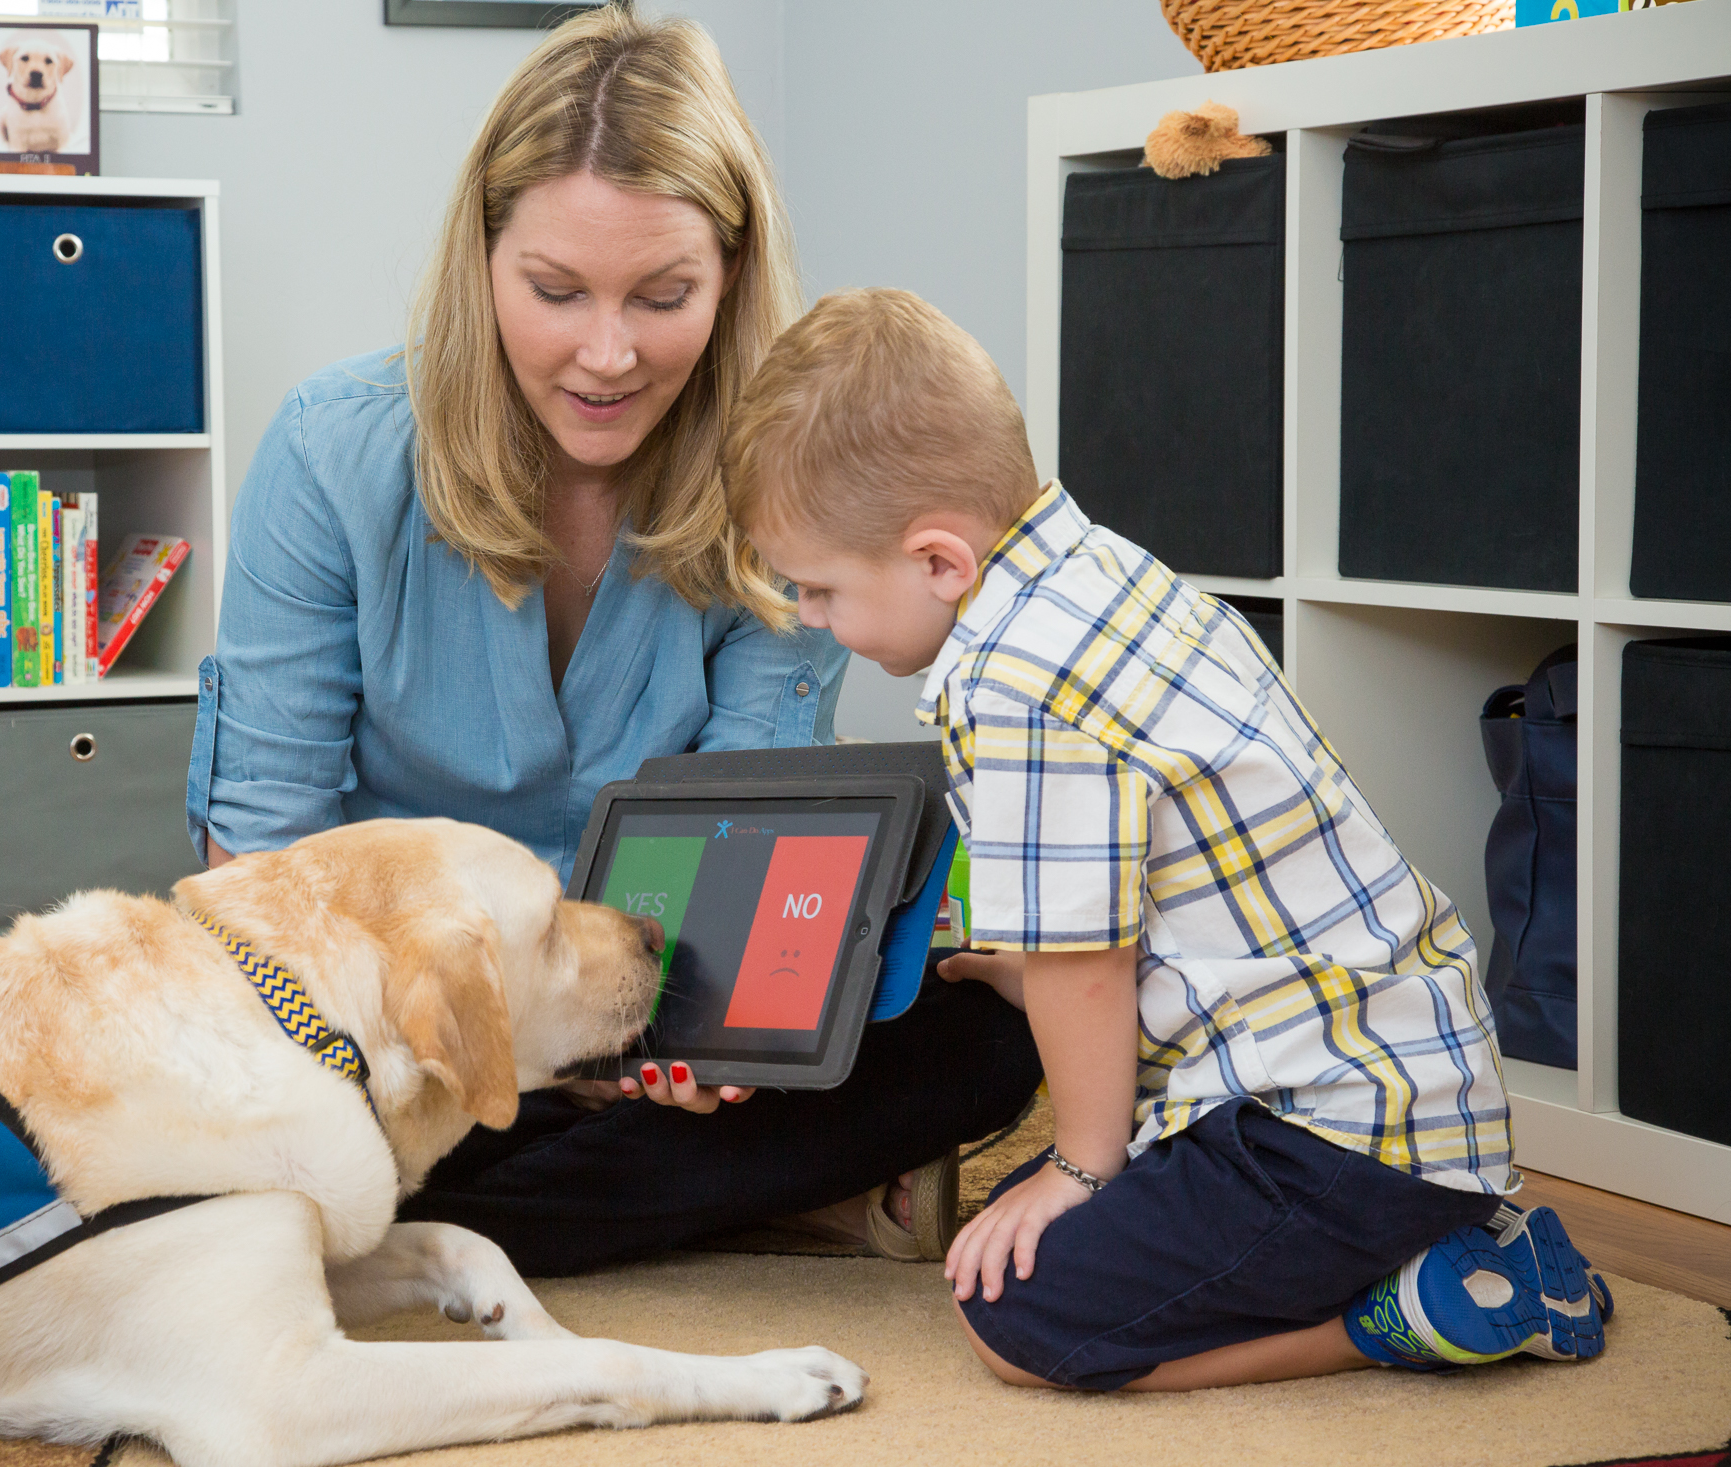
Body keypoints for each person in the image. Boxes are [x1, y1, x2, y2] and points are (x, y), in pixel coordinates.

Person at [185, 9, 1043, 1275]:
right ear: (482, 263)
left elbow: (763, 823)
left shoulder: (785, 484)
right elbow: (259, 877)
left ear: (732, 278)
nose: (605, 354)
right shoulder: (329, 449)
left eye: (663, 296)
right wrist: (502, 1046)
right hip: (418, 1029)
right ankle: (677, 1200)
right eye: (553, 292)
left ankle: (402, 1236)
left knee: (989, 1046)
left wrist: (685, 1041)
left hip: (658, 1003)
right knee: (226, 1085)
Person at [722, 286, 1613, 1391]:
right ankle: (1419, 1246)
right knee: (1004, 1229)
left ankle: (1438, 1303)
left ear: (939, 562)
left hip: (1338, 1140)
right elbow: (1145, 891)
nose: (808, 616)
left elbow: (1084, 962)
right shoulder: (1095, 575)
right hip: (1391, 1092)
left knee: (1019, 1320)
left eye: (818, 588)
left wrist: (1082, 1166)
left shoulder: (1014, 685)